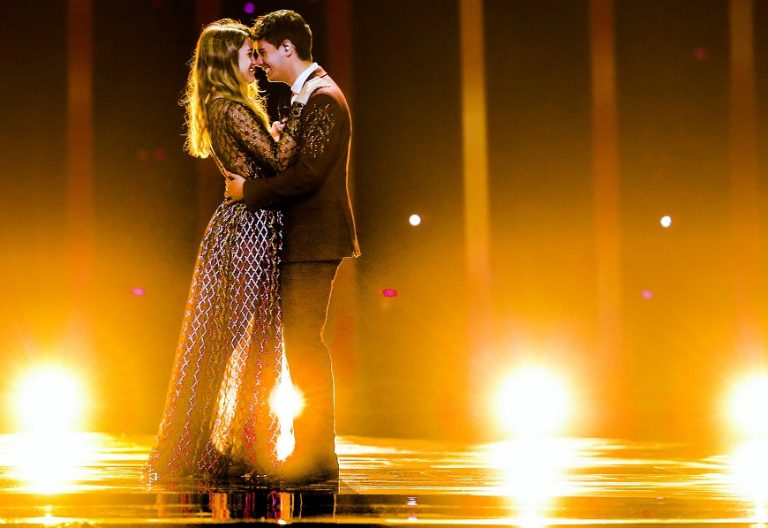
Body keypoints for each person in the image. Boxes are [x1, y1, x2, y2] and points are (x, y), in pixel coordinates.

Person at [145, 19, 302, 483]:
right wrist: (294, 122)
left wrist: (274, 136)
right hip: (249, 228)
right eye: (248, 54)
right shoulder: (230, 107)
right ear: (224, 60)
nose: (256, 62)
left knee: (236, 339)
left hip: (246, 224)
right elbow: (278, 163)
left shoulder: (222, 106)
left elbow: (264, 160)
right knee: (238, 339)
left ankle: (227, 443)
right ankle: (216, 446)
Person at [225, 10, 360, 484]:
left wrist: (249, 191)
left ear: (288, 48)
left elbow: (309, 176)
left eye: (263, 53)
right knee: (300, 344)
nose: (260, 63)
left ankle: (317, 457)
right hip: (305, 237)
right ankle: (311, 453)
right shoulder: (307, 96)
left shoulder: (323, 98)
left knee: (305, 344)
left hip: (315, 238)